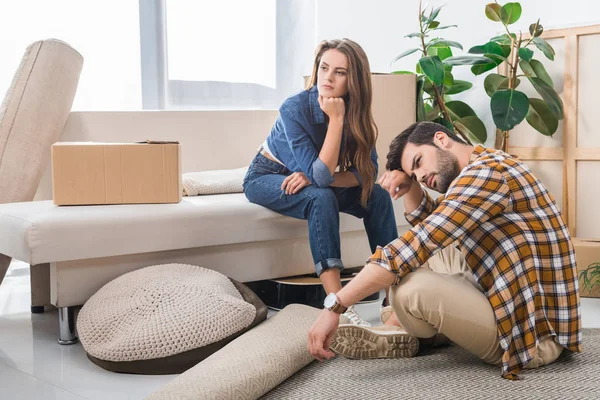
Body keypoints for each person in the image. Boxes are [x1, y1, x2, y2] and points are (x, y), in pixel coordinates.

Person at [307, 121, 582, 380]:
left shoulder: (485, 174)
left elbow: (416, 244)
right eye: (415, 174)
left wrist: (335, 305)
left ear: (441, 139)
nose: (422, 176)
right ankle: (407, 328)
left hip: (532, 340)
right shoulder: (485, 162)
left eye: (419, 163)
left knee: (408, 290)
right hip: (513, 302)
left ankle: (402, 326)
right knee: (427, 256)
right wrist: (411, 184)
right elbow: (432, 224)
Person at [243, 39, 398, 326]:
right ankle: (336, 305)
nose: (328, 77)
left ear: (354, 80)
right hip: (266, 175)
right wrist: (336, 121)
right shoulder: (294, 108)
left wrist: (318, 175)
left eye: (340, 72)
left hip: (310, 176)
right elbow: (320, 180)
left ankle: (394, 299)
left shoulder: (357, 110)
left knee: (376, 196)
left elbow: (368, 173)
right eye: (324, 68)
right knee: (320, 196)